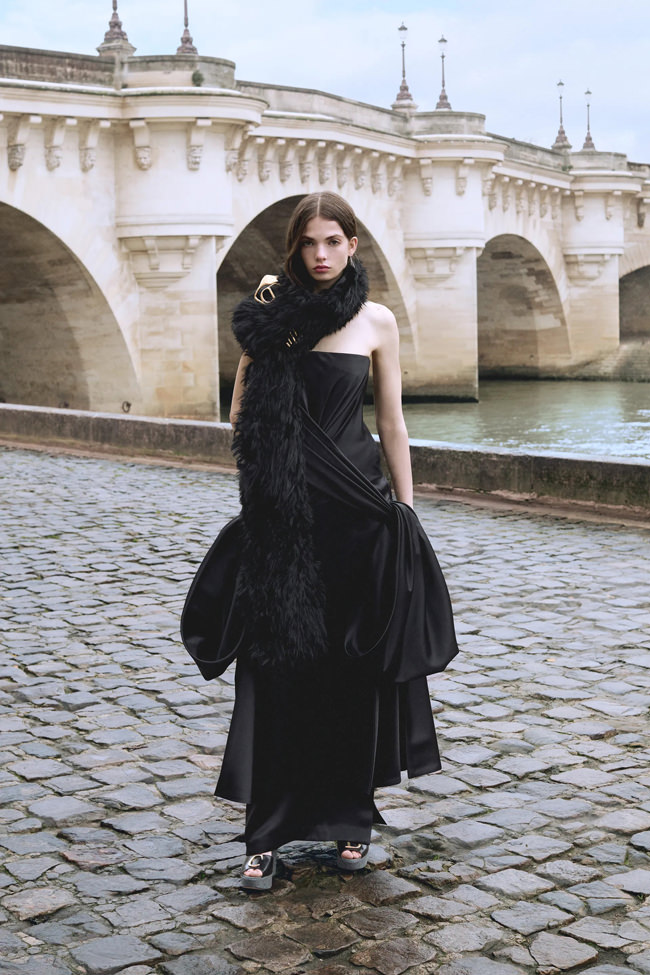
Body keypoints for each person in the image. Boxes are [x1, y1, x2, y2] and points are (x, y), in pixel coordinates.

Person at [181, 192, 458, 890]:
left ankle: (348, 820)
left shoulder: (377, 321)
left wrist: (406, 509)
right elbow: (241, 413)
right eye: (309, 243)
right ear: (295, 248)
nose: (321, 254)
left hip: (359, 516)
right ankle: (265, 834)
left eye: (333, 240)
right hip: (285, 515)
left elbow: (391, 423)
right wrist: (270, 476)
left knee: (350, 672)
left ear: (353, 244)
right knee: (275, 669)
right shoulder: (272, 316)